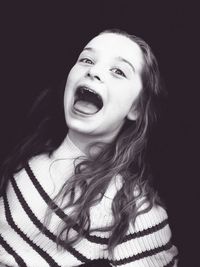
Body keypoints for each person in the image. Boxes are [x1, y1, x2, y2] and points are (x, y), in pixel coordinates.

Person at [0, 29, 178, 267]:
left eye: (118, 71)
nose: (93, 71)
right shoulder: (28, 154)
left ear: (136, 108)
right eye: (86, 60)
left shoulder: (135, 213)